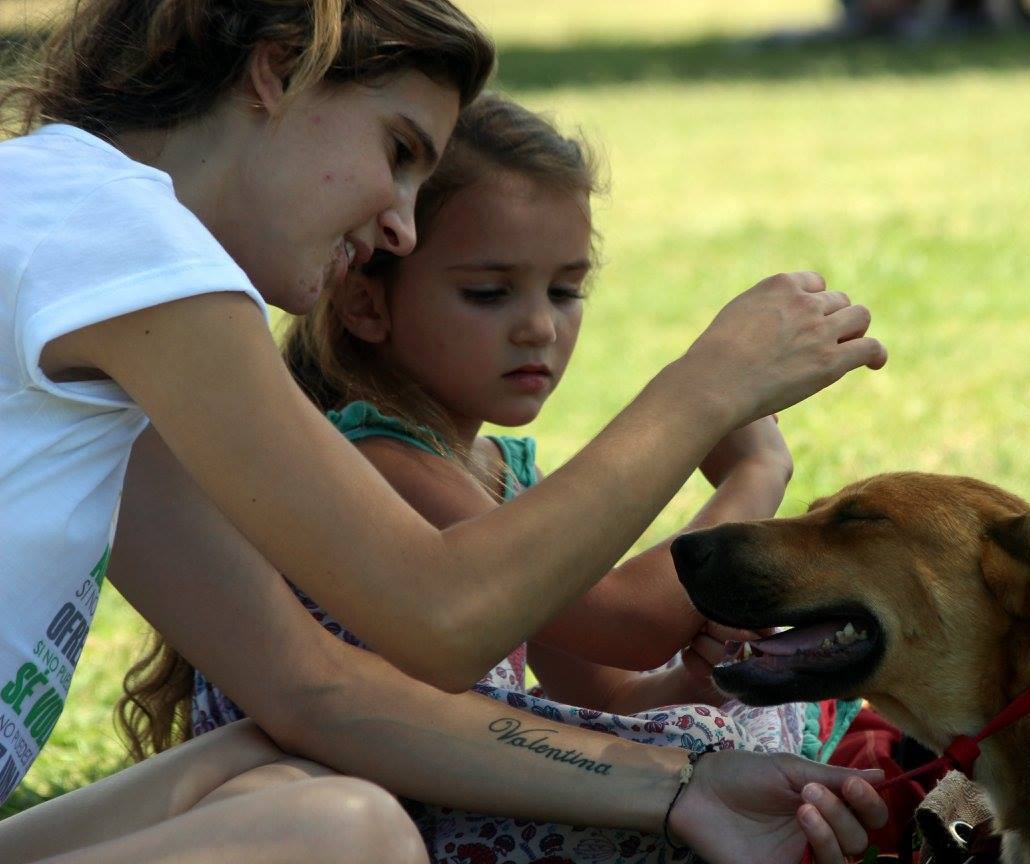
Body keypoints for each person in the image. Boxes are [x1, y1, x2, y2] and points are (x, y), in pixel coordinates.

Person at [0, 1, 888, 861]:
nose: (400, 222)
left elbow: (317, 689)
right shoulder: (116, 232)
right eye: (397, 150)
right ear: (278, 71)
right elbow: (443, 615)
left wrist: (684, 785)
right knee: (343, 831)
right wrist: (709, 388)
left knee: (282, 768)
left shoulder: (88, 260)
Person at [115, 93, 811, 862]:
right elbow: (630, 622)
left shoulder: (495, 469)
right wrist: (752, 472)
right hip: (380, 806)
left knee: (746, 728)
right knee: (742, 761)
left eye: (565, 289)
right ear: (365, 302)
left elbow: (607, 689)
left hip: (474, 777)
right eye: (489, 292)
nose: (539, 327)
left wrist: (697, 684)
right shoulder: (381, 460)